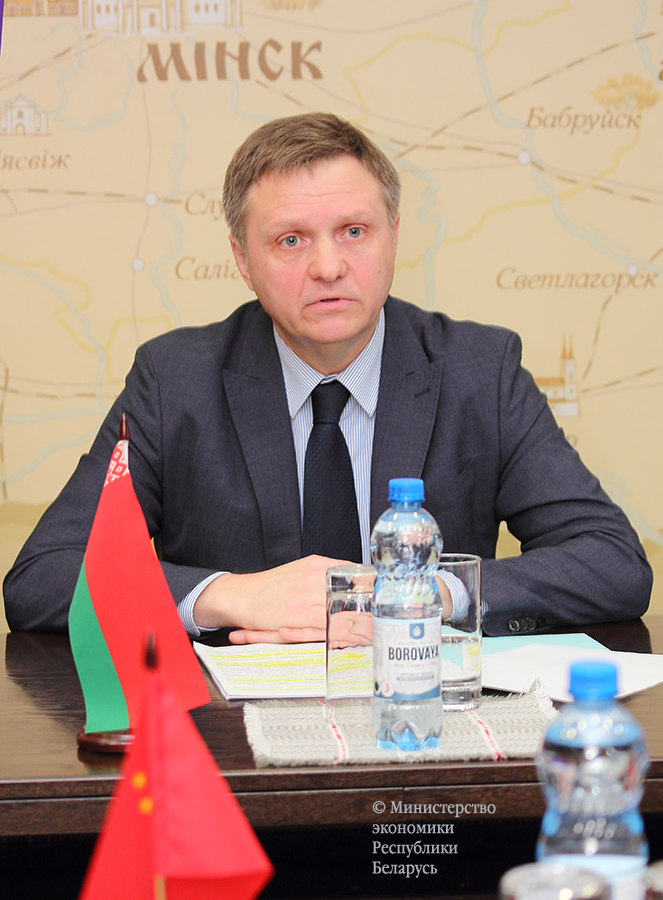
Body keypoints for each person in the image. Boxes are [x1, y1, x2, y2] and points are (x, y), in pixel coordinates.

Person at [3, 113, 652, 640]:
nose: (328, 266)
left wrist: (424, 595)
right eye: (290, 239)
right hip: (231, 737)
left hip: (422, 719)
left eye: (353, 231)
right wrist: (230, 596)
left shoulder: (480, 371)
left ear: (392, 237)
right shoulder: (174, 381)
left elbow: (611, 562)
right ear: (242, 259)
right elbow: (43, 577)